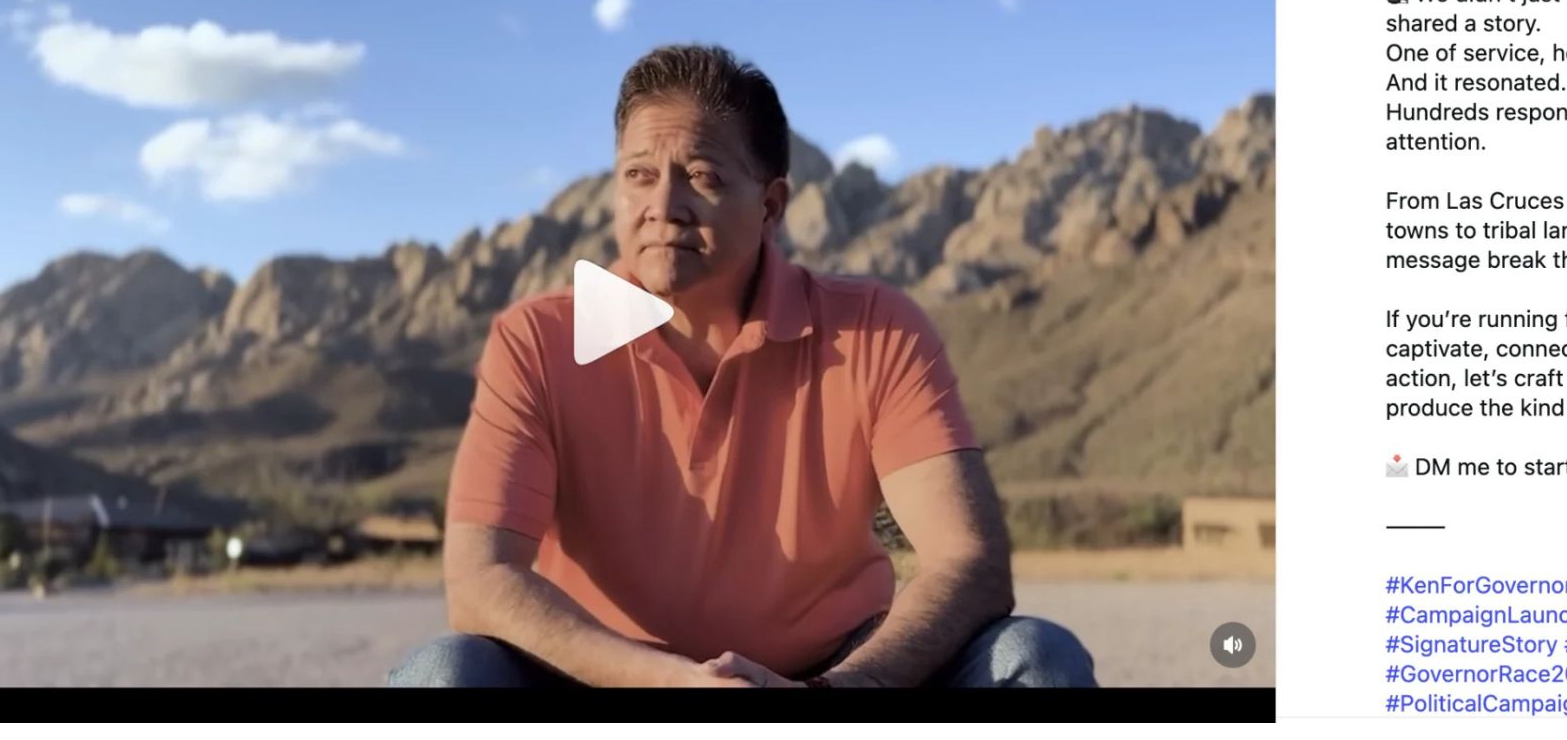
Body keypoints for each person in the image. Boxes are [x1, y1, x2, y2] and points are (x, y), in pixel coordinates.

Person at [388, 43, 1096, 689]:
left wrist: (838, 691)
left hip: (832, 674)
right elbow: (480, 581)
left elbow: (969, 562)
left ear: (772, 203)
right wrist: (674, 683)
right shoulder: (538, 339)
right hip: (600, 674)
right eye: (639, 176)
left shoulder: (876, 329)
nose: (663, 207)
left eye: (701, 176)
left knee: (1034, 658)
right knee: (442, 673)